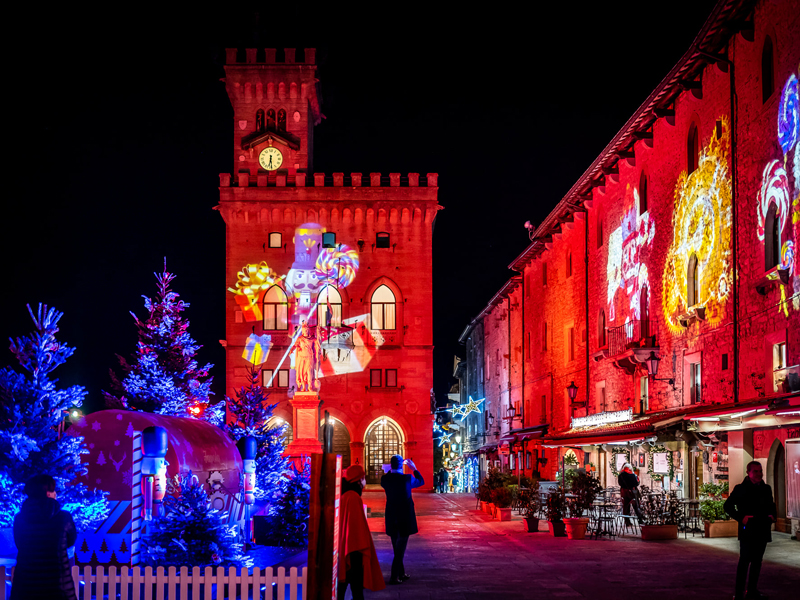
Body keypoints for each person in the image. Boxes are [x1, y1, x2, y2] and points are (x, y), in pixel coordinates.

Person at [11, 474, 78, 600]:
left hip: (26, 586)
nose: (56, 494)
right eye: (53, 490)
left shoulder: (20, 519)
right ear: (48, 493)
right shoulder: (64, 518)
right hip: (59, 585)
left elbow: (19, 544)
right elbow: (71, 540)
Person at [724, 460, 777, 600]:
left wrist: (772, 517)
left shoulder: (766, 488)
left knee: (757, 561)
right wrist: (742, 518)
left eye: (760, 471)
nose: (759, 474)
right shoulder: (741, 488)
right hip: (748, 529)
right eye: (756, 471)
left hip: (762, 528)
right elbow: (728, 506)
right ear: (748, 472)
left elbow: (772, 504)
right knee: (745, 561)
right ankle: (739, 592)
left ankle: (752, 590)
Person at [337, 465, 385, 600]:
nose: (365, 482)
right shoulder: (353, 497)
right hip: (354, 550)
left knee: (345, 587)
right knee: (356, 589)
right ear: (359, 480)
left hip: (349, 548)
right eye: (363, 478)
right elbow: (355, 528)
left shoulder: (347, 495)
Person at [380, 454, 424, 585]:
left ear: (390, 465)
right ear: (402, 465)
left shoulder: (384, 479)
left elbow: (388, 476)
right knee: (400, 548)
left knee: (396, 547)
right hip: (404, 517)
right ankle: (394, 576)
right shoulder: (407, 478)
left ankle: (401, 573)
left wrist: (390, 469)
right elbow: (421, 481)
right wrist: (414, 468)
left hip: (391, 517)